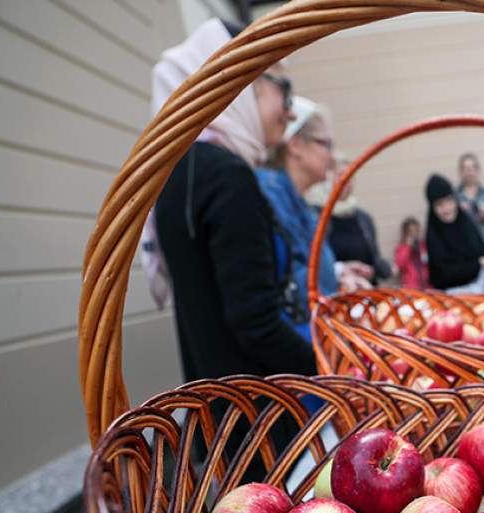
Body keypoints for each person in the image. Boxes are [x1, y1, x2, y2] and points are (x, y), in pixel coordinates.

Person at [151, 19, 317, 386]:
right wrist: (331, 369)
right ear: (241, 83)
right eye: (284, 91)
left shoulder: (180, 171)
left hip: (213, 407)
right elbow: (255, 322)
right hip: (253, 415)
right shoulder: (227, 175)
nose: (290, 113)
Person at [256, 97, 344, 343]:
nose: (333, 156)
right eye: (325, 144)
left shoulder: (297, 202)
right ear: (295, 145)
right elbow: (290, 282)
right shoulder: (270, 194)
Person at [307, 158, 392, 285]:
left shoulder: (363, 219)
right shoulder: (317, 216)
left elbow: (374, 257)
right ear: (329, 178)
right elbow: (312, 262)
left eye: (351, 176)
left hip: (364, 292)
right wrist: (341, 269)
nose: (346, 180)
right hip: (334, 293)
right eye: (341, 175)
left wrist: (379, 269)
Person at [424, 174, 484, 292]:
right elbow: (444, 274)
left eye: (449, 201)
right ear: (433, 208)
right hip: (450, 296)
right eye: (440, 204)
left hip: (480, 289)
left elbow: (482, 252)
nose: (446, 208)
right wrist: (479, 263)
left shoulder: (465, 222)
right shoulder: (434, 234)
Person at [394, 216, 429, 289]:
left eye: (416, 231)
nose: (414, 235)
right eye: (411, 233)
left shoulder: (424, 246)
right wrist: (408, 247)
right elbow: (400, 264)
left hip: (427, 285)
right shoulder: (402, 248)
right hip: (411, 287)